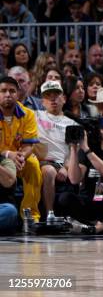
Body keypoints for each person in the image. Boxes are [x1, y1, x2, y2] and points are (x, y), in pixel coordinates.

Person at [34, 81, 78, 223]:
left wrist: (65, 167)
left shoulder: (72, 123)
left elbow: (73, 151)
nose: (53, 99)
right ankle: (49, 215)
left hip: (63, 163)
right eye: (48, 96)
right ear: (42, 102)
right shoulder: (35, 116)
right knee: (49, 171)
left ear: (64, 99)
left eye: (56, 95)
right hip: (42, 161)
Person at [0, 76, 42, 222]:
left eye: (12, 91)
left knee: (33, 165)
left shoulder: (28, 114)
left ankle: (30, 215)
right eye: (3, 90)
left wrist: (21, 156)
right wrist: (7, 154)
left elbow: (29, 145)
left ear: (17, 94)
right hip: (1, 159)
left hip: (19, 158)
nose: (7, 94)